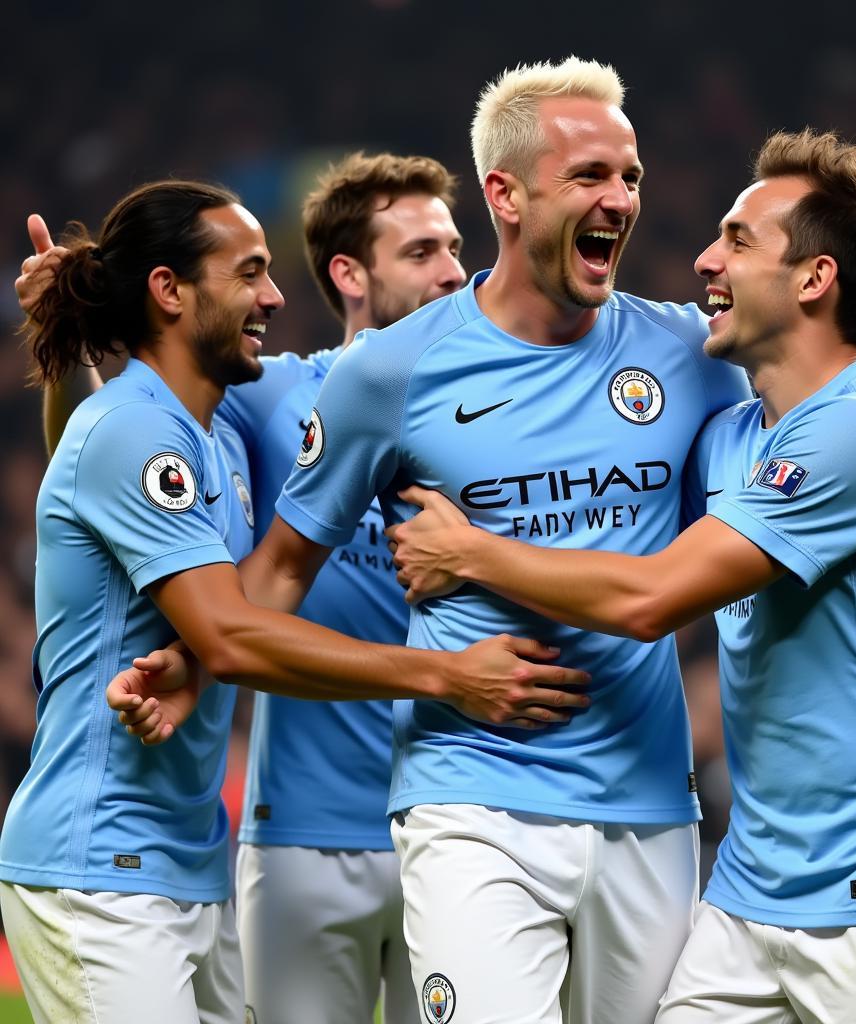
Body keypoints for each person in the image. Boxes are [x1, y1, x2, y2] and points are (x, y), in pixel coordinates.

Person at [385, 130, 856, 1022]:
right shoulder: (730, 438)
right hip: (749, 896)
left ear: (814, 279)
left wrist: (469, 551)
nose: (707, 260)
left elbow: (649, 598)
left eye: (740, 241)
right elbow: (639, 530)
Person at [0, 181, 589, 1024]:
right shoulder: (145, 427)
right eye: (249, 274)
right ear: (169, 290)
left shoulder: (207, 440)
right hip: (103, 858)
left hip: (182, 860)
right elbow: (233, 635)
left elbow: (97, 478)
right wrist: (447, 675)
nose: (276, 297)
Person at [222, 152, 465, 1024]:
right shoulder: (272, 398)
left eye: (454, 247)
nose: (453, 271)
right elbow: (117, 439)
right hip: (304, 834)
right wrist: (64, 366)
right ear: (348, 273)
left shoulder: (505, 413)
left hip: (463, 829)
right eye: (422, 252)